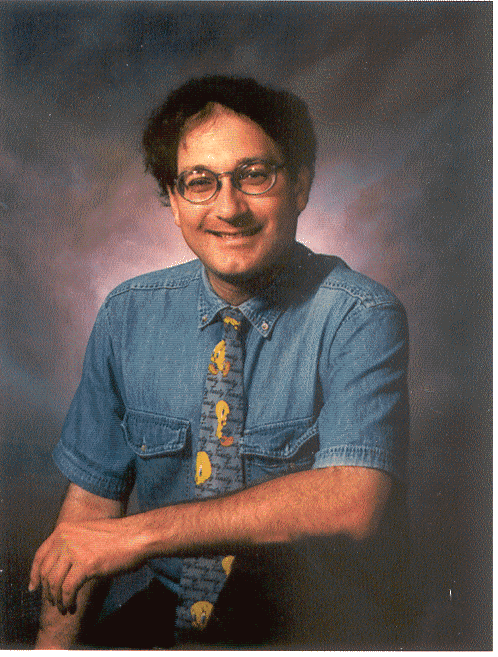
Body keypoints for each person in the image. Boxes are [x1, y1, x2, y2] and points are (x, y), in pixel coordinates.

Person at [29, 75, 414, 649]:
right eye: (200, 183)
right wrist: (50, 649)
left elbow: (352, 501)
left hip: (309, 631)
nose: (229, 208)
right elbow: (87, 516)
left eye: (255, 175)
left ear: (301, 185)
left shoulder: (359, 315)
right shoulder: (127, 314)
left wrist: (140, 536)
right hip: (168, 619)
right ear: (173, 200)